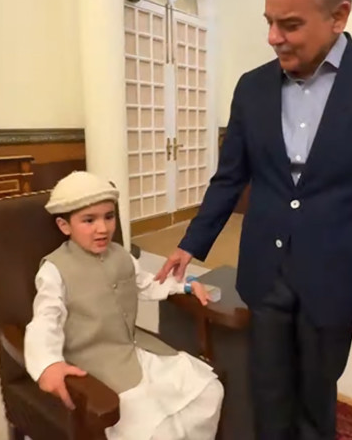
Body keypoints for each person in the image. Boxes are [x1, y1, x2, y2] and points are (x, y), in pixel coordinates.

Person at [155, 0, 352, 438]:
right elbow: (230, 178)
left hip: (336, 276)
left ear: (338, 16)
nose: (273, 37)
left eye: (290, 24)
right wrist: (191, 243)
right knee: (268, 393)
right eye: (269, 22)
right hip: (266, 272)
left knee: (316, 399)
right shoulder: (252, 87)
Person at [24, 171, 224, 440]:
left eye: (108, 217)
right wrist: (48, 364)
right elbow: (45, 320)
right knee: (154, 427)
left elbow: (145, 284)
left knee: (208, 390)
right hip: (96, 363)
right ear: (64, 225)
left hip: (134, 348)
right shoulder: (54, 270)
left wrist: (184, 286)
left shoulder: (122, 255)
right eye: (89, 220)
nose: (103, 228)